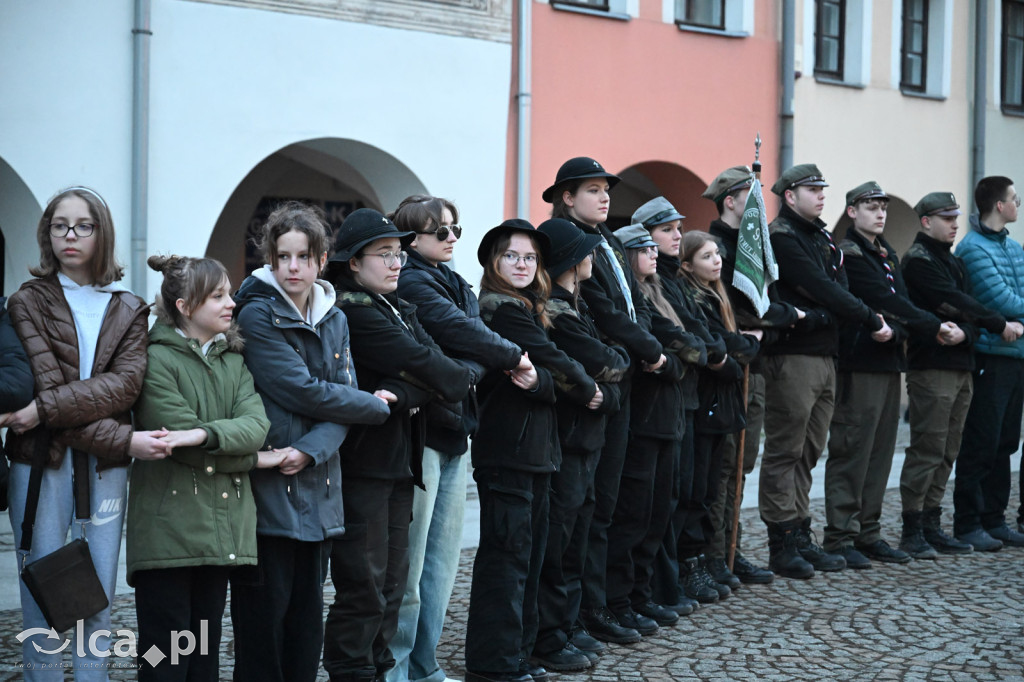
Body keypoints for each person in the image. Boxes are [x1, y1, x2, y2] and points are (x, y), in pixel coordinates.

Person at [231, 202, 391, 682]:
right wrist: (374, 405)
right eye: (284, 257)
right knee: (264, 628)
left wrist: (311, 449)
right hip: (270, 495)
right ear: (271, 261)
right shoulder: (257, 315)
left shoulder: (334, 318)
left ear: (322, 260)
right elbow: (300, 391)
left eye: (304, 256)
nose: (294, 267)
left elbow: (337, 402)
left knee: (306, 627)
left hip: (318, 488)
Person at [2, 186, 154, 681]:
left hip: (103, 467)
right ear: (47, 233)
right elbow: (53, 379)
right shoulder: (28, 300)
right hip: (41, 460)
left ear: (101, 233)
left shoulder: (128, 306)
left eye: (83, 225)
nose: (70, 234)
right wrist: (113, 433)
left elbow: (126, 387)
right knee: (41, 591)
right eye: (59, 225)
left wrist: (44, 410)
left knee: (98, 596)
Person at [322, 209, 473, 682]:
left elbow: (445, 373)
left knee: (391, 587)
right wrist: (426, 380)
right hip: (362, 467)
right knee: (363, 590)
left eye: (398, 254)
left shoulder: (396, 307)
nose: (396, 264)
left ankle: (383, 671)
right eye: (384, 255)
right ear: (352, 262)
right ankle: (354, 673)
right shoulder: (353, 310)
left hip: (398, 466)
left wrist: (405, 392)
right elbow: (433, 367)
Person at [389, 196, 531, 682]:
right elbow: (455, 331)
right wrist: (507, 357)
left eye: (455, 229)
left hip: (455, 429)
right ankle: (398, 669)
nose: (452, 238)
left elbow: (472, 339)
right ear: (411, 239)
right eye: (441, 231)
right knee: (409, 568)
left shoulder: (455, 282)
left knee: (442, 566)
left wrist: (468, 371)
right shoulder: (410, 280)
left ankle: (424, 667)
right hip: (422, 432)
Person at [128, 254, 272, 681]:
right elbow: (175, 441)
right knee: (164, 658)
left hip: (220, 533)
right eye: (218, 296)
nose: (231, 304)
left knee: (204, 660)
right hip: (167, 537)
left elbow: (256, 427)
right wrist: (251, 460)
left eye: (229, 294)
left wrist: (202, 435)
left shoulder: (233, 360)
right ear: (185, 306)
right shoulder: (154, 359)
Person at [465, 219, 596, 682]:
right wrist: (584, 387)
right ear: (493, 263)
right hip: (508, 452)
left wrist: (546, 384)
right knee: (507, 561)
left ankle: (517, 656)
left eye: (529, 258)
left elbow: (543, 369)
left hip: (536, 452)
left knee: (530, 558)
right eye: (511, 256)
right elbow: (552, 358)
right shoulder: (502, 310)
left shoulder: (529, 306)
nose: (521, 264)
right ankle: (493, 665)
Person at [545, 156, 667, 647]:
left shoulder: (610, 239)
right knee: (586, 509)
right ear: (567, 197)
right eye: (592, 190)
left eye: (606, 189)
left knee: (610, 502)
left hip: (624, 380)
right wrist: (649, 352)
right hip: (597, 384)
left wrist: (651, 347)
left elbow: (634, 307)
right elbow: (603, 314)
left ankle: (605, 602)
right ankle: (583, 610)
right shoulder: (560, 240)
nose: (605, 197)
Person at [760, 164, 893, 579]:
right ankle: (782, 541)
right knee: (787, 449)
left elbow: (835, 290)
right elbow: (822, 288)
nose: (820, 195)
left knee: (809, 450)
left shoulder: (819, 236)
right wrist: (870, 318)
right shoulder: (782, 235)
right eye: (811, 189)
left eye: (822, 188)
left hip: (824, 353)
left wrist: (835, 310)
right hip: (795, 355)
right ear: (789, 195)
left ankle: (800, 532)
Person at [824, 182, 952, 567]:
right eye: (870, 207)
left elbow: (903, 305)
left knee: (880, 454)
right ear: (852, 212)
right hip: (860, 361)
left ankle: (868, 531)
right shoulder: (850, 253)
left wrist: (909, 326)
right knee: (853, 450)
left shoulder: (885, 253)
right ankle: (841, 535)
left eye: (882, 207)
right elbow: (883, 301)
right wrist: (929, 325)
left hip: (887, 361)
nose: (880, 213)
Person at [530, 217, 630, 673]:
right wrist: (608, 379)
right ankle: (549, 635)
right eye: (588, 251)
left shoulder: (577, 305)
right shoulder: (559, 311)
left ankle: (566, 627)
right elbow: (602, 362)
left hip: (588, 437)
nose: (594, 258)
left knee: (577, 536)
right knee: (561, 541)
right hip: (570, 439)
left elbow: (613, 365)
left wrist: (607, 384)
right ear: (573, 261)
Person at [699, 170, 801, 587]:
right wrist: (766, 324)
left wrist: (774, 323)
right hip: (729, 372)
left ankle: (731, 549)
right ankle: (713, 555)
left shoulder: (752, 246)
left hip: (754, 368)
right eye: (750, 195)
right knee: (724, 467)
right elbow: (732, 314)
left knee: (743, 465)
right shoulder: (716, 248)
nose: (758, 202)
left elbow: (771, 310)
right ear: (730, 200)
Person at [900, 191, 1016, 556]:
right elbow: (955, 301)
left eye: (955, 218)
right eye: (946, 219)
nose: (954, 225)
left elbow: (966, 310)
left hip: (960, 363)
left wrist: (967, 330)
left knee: (948, 450)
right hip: (932, 366)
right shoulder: (919, 261)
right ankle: (913, 527)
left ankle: (932, 524)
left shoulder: (952, 261)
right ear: (926, 222)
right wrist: (994, 323)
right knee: (928, 448)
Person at [607, 223, 699, 631]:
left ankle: (641, 594)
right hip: (644, 418)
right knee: (634, 516)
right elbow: (654, 346)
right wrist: (668, 362)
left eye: (653, 247)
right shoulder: (634, 299)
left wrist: (671, 362)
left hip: (666, 417)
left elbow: (676, 344)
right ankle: (623, 598)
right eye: (645, 248)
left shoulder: (657, 294)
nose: (655, 254)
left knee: (658, 512)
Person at [677, 230, 761, 596]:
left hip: (723, 399)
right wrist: (745, 346)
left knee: (726, 477)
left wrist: (740, 347)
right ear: (688, 264)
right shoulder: (693, 297)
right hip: (705, 399)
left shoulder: (717, 295)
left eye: (717, 254)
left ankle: (725, 551)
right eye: (707, 256)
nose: (717, 261)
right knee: (709, 483)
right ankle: (709, 557)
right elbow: (720, 345)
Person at [952, 176, 1024, 549]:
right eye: (1014, 198)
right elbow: (999, 299)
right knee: (982, 441)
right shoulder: (973, 249)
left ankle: (994, 519)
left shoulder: (1014, 248)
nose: (1018, 203)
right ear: (999, 205)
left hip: (1015, 358)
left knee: (1006, 442)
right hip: (990, 358)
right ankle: (968, 522)